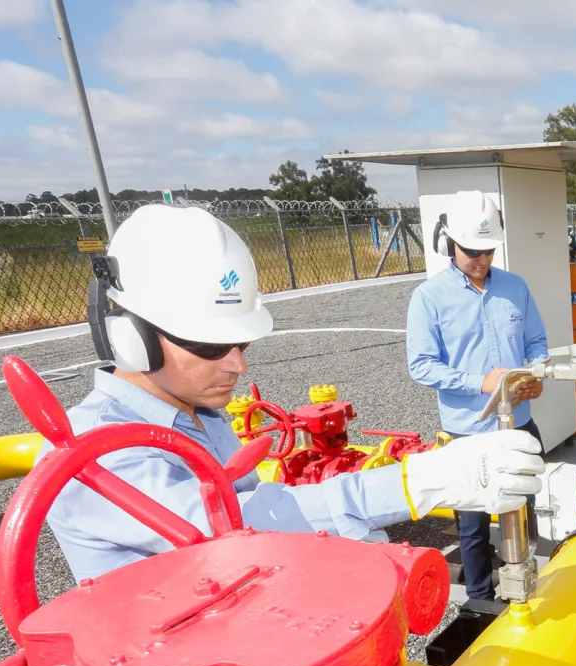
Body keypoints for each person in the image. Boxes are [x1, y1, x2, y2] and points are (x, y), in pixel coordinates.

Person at [45, 203, 543, 584]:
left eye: (240, 343)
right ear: (127, 335)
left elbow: (260, 506)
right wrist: (414, 484)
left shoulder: (199, 415)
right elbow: (227, 525)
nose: (238, 364)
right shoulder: (92, 450)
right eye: (213, 345)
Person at [406, 191, 549, 601]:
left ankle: (525, 580)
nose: (481, 260)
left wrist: (536, 373)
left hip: (518, 423)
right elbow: (422, 365)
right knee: (471, 524)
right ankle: (481, 600)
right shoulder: (429, 298)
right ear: (448, 242)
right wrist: (479, 382)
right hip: (467, 431)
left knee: (522, 508)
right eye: (472, 251)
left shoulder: (514, 287)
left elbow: (536, 340)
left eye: (487, 250)